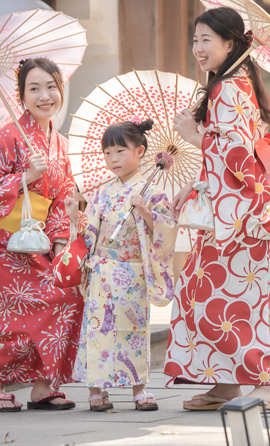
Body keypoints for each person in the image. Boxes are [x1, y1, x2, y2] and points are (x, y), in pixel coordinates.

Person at [164, 6, 270, 412]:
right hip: (235, 215)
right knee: (211, 298)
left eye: (206, 40)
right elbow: (234, 163)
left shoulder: (229, 89)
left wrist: (195, 137)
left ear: (230, 43)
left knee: (231, 304)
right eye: (195, 39)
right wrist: (196, 183)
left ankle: (265, 385)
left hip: (236, 221)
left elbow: (239, 160)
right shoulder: (234, 84)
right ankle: (225, 384)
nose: (198, 48)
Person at [0, 57, 83, 412]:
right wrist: (23, 178)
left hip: (36, 247)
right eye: (34, 88)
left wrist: (61, 250)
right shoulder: (8, 136)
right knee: (21, 317)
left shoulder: (59, 144)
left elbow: (62, 201)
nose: (44, 95)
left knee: (67, 298)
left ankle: (43, 385)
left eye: (51, 87)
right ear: (22, 96)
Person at [62, 119, 177, 412]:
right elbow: (90, 234)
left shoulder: (152, 192)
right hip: (102, 269)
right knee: (97, 330)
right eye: (108, 152)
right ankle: (95, 388)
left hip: (133, 269)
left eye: (120, 151)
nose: (113, 159)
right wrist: (75, 216)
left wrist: (144, 211)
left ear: (140, 152)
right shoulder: (101, 192)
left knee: (134, 328)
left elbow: (165, 233)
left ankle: (139, 388)